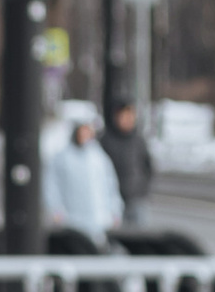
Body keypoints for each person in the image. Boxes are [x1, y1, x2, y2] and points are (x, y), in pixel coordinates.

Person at [45, 113, 123, 244]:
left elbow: (110, 185)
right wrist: (55, 210)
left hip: (98, 221)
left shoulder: (99, 158)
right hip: (72, 221)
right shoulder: (62, 158)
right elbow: (51, 186)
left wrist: (115, 210)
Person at [103, 97, 154, 226]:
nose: (128, 119)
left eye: (130, 115)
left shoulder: (138, 141)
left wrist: (143, 189)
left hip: (136, 199)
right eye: (124, 115)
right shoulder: (106, 141)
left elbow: (148, 167)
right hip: (112, 201)